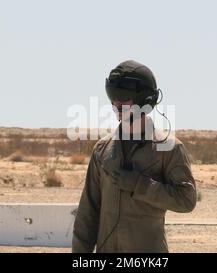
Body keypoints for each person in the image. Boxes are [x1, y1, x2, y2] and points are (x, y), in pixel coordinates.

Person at [72, 60, 197, 253]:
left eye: (124, 98)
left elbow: (186, 200)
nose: (117, 104)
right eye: (113, 97)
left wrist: (140, 185)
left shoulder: (169, 148)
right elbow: (88, 213)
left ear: (144, 101)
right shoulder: (102, 150)